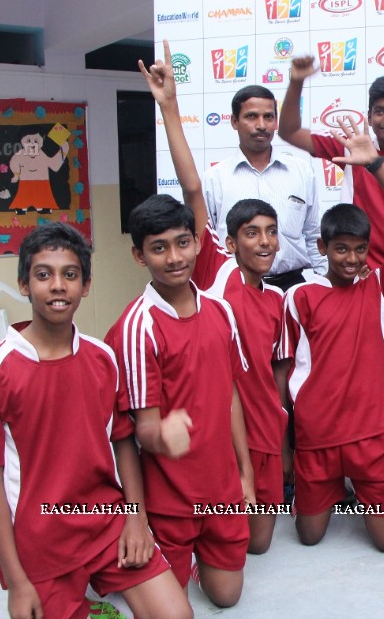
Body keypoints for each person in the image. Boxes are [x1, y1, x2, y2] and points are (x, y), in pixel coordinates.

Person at [0, 223, 191, 619]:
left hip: (105, 523)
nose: (58, 286)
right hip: (39, 543)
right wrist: (17, 582)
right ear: (24, 285)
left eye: (70, 274)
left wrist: (137, 520)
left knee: (177, 615)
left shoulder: (102, 358)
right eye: (43, 274)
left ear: (86, 285)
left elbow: (122, 443)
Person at [139, 40, 289, 554]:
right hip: (214, 433)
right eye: (251, 233)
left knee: (259, 545)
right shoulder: (213, 272)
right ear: (227, 243)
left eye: (271, 232)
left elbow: (277, 375)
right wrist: (169, 107)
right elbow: (193, 190)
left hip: (266, 435)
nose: (263, 242)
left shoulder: (277, 300)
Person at [276, 118, 384, 551]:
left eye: (359, 249)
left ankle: (364, 489)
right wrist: (287, 446)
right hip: (317, 435)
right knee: (309, 536)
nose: (351, 258)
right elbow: (284, 375)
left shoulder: (377, 284)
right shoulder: (300, 297)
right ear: (322, 248)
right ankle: (334, 490)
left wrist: (376, 165)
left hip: (369, 432)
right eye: (341, 248)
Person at [278, 64, 384, 462]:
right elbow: (289, 132)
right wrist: (296, 82)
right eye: (379, 110)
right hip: (358, 279)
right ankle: (353, 452)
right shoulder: (353, 149)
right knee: (353, 367)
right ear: (368, 115)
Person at [106, 195, 254, 607]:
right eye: (159, 247)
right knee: (171, 609)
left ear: (198, 243)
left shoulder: (221, 311)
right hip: (168, 502)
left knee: (226, 597)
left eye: (182, 242)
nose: (174, 257)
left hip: (222, 491)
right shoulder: (138, 328)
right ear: (139, 256)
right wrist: (159, 435)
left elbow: (231, 398)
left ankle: (193, 562)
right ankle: (145, 554)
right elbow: (140, 431)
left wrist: (244, 475)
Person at [202, 83, 326, 291]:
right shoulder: (215, 178)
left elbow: (313, 235)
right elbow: (207, 242)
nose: (262, 125)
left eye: (268, 117)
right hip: (235, 289)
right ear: (234, 121)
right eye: (251, 117)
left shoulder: (301, 172)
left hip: (292, 286)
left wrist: (324, 284)